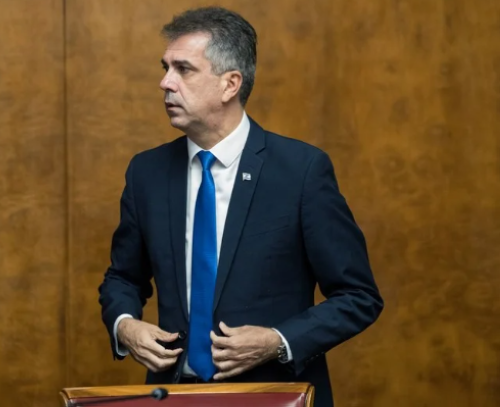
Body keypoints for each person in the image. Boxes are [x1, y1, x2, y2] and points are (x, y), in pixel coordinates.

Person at [98, 7, 383, 407]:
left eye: (183, 69)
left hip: (274, 395)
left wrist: (278, 341)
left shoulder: (301, 171)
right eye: (165, 68)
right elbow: (123, 278)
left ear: (230, 84)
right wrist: (125, 326)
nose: (165, 83)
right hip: (174, 395)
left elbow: (358, 295)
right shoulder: (147, 172)